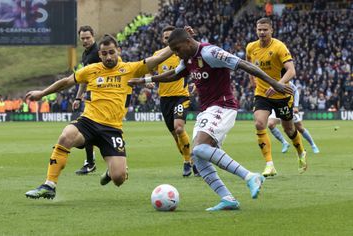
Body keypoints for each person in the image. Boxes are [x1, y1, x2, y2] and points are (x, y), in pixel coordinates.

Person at [129, 28, 293, 211]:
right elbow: (174, 74)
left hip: (223, 106)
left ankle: (250, 176)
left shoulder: (210, 52)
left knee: (199, 148)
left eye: (177, 48)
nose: (175, 53)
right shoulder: (187, 58)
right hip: (207, 109)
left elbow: (244, 64)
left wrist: (275, 83)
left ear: (188, 42)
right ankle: (228, 198)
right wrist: (145, 80)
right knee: (197, 156)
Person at [24, 34, 174, 199]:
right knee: (66, 135)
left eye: (111, 52)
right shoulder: (91, 70)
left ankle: (112, 172)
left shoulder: (131, 69)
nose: (108, 57)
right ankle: (49, 185)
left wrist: (177, 42)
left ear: (118, 51)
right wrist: (42, 93)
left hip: (112, 129)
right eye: (104, 53)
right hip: (88, 122)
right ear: (100, 54)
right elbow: (66, 82)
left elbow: (158, 58)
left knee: (119, 178)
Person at [246, 17, 307, 177]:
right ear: (256, 30)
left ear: (271, 30)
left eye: (265, 29)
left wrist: (276, 85)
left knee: (289, 129)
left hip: (282, 95)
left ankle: (301, 152)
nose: (262, 32)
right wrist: (252, 80)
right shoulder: (251, 47)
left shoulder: (279, 47)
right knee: (259, 124)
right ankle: (269, 164)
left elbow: (291, 71)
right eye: (259, 29)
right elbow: (248, 63)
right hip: (262, 94)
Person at [151, 25, 196, 177]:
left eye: (171, 37)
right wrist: (149, 81)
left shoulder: (182, 53)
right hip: (165, 99)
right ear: (162, 40)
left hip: (181, 96)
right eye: (166, 38)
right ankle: (190, 161)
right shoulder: (157, 55)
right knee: (175, 134)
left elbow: (196, 66)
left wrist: (196, 82)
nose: (168, 40)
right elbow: (151, 70)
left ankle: (188, 161)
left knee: (179, 128)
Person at [73, 25, 101, 175]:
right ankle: (90, 162)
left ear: (93, 36)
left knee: (91, 130)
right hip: (92, 97)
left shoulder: (99, 53)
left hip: (104, 98)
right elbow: (84, 79)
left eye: (87, 38)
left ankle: (91, 162)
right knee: (89, 129)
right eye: (82, 38)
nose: (85, 40)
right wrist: (78, 97)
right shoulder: (86, 55)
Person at [268, 82, 320, 154]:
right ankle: (284, 142)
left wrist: (295, 106)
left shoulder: (286, 81)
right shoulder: (268, 80)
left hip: (287, 107)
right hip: (275, 108)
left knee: (300, 128)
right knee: (270, 124)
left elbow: (295, 91)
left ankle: (313, 145)